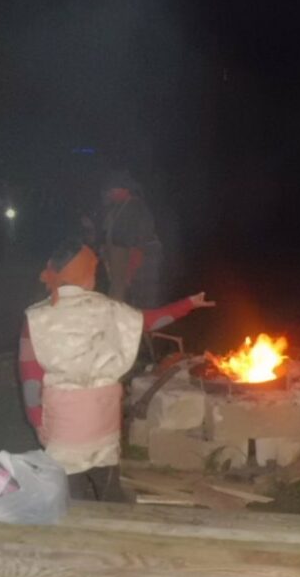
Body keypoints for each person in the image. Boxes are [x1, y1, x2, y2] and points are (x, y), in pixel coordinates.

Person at [18, 239, 215, 501]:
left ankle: (79, 517)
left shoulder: (36, 318)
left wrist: (37, 422)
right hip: (104, 419)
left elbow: (30, 382)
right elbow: (151, 321)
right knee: (109, 487)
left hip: (63, 427)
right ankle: (114, 509)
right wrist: (189, 304)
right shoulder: (110, 309)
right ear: (85, 273)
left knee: (72, 497)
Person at [100, 171, 162, 308]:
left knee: (141, 300)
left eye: (112, 190)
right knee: (119, 297)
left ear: (124, 189)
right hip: (120, 266)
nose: (110, 194)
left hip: (139, 264)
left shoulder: (137, 207)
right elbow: (108, 235)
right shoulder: (116, 208)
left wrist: (130, 270)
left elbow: (140, 242)